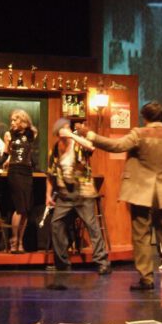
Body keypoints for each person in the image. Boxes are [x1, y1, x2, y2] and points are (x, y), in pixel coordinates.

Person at [75, 101, 162, 290]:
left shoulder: (139, 134)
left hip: (140, 192)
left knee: (141, 235)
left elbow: (115, 145)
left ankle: (146, 278)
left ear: (145, 117)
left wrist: (89, 134)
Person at [46, 118, 112, 275]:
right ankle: (62, 263)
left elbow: (91, 146)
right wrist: (47, 195)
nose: (66, 130)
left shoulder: (78, 144)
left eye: (68, 128)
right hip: (65, 194)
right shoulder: (55, 148)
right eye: (63, 128)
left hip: (83, 192)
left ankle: (102, 262)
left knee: (92, 226)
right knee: (56, 224)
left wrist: (72, 136)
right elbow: (50, 174)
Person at [3, 109, 37, 253]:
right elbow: (6, 153)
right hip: (15, 171)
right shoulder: (9, 134)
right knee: (20, 207)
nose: (12, 123)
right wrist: (3, 159)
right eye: (11, 120)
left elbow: (28, 149)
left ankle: (21, 241)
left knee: (26, 209)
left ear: (22, 120)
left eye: (14, 120)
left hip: (27, 171)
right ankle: (14, 240)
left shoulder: (31, 134)